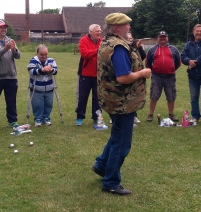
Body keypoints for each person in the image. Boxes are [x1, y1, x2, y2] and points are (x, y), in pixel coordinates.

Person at [91, 13, 151, 195]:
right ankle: (110, 182)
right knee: (122, 143)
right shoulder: (118, 47)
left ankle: (102, 165)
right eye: (126, 25)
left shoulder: (107, 42)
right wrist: (143, 72)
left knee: (117, 135)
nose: (129, 27)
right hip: (122, 102)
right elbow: (123, 77)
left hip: (114, 99)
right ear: (117, 27)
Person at [181, 24, 201, 125]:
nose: (199, 33)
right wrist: (189, 61)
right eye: (197, 31)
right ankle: (195, 116)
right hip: (193, 76)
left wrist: (195, 63)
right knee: (194, 97)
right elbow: (183, 56)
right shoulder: (189, 44)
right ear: (193, 32)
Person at [146, 31, 181, 122]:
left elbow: (178, 62)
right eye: (160, 37)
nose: (162, 39)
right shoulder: (152, 50)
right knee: (154, 95)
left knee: (171, 95)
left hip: (170, 77)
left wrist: (171, 69)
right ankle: (150, 114)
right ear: (157, 39)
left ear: (167, 38)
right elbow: (148, 63)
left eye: (164, 37)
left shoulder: (174, 49)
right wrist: (154, 70)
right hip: (156, 76)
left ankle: (171, 114)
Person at [75, 24, 102, 126]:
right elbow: (85, 53)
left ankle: (96, 117)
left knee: (97, 97)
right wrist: (97, 51)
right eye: (97, 31)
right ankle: (80, 117)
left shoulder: (102, 41)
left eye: (100, 31)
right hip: (85, 74)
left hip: (98, 74)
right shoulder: (83, 40)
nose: (99, 33)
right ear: (90, 32)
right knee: (82, 97)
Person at [27, 44, 58, 127]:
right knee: (37, 104)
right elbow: (31, 71)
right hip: (36, 88)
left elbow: (55, 71)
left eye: (46, 54)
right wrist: (42, 70)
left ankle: (46, 117)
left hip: (49, 88)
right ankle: (38, 118)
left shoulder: (51, 60)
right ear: (37, 53)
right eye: (42, 54)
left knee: (49, 104)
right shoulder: (33, 60)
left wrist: (50, 70)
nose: (44, 56)